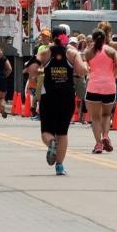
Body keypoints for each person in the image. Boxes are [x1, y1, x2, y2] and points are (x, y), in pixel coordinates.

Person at [36, 24, 86, 175]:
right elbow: (81, 71)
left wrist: (38, 71)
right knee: (62, 133)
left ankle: (51, 143)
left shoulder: (45, 52)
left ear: (52, 38)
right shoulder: (72, 53)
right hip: (66, 96)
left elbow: (32, 66)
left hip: (49, 96)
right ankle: (60, 166)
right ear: (65, 37)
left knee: (47, 130)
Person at [83, 27, 117, 154]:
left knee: (95, 118)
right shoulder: (111, 51)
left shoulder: (88, 52)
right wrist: (113, 74)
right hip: (109, 87)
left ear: (92, 39)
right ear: (105, 38)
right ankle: (105, 136)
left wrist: (90, 72)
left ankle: (98, 144)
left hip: (94, 87)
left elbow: (84, 67)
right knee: (106, 115)